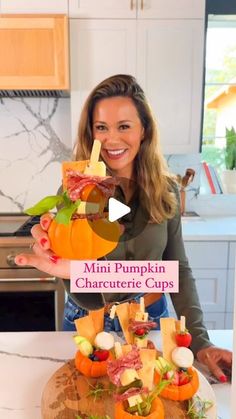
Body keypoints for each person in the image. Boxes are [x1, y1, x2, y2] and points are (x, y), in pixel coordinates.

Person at [15, 74, 232, 382]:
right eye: (101, 127)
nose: (111, 139)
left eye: (124, 126)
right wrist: (64, 261)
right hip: (88, 322)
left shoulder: (166, 190)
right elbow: (76, 272)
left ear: (144, 130)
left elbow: (177, 268)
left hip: (152, 321)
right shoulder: (75, 190)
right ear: (91, 133)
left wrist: (200, 341)